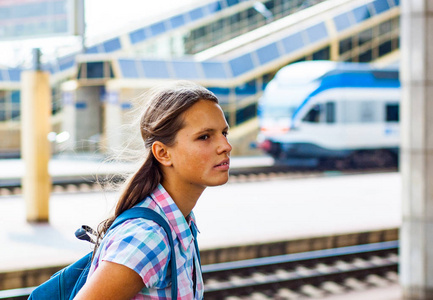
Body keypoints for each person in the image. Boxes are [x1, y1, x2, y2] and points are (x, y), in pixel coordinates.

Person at [74, 80, 232, 299]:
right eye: (204, 136)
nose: (225, 146)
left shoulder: (180, 221)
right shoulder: (148, 236)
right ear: (163, 153)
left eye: (224, 132)